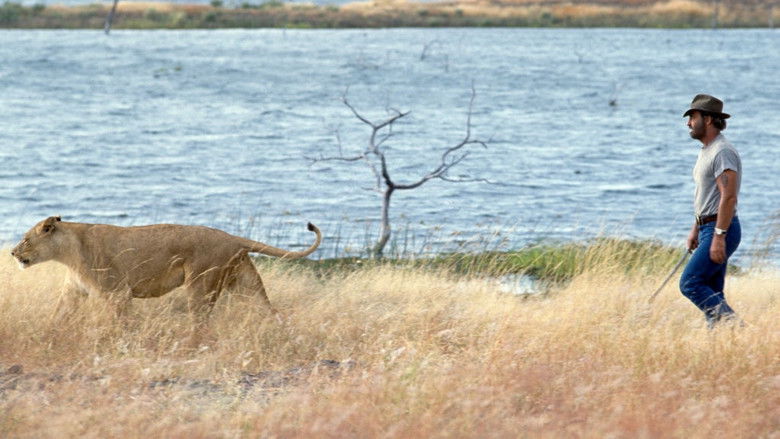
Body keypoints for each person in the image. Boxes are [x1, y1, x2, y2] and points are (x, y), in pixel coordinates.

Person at [678, 94, 742, 328]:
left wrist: (719, 236)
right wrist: (696, 229)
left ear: (707, 119)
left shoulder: (722, 151)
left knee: (690, 283)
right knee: (713, 293)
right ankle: (723, 342)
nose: (688, 123)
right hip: (708, 227)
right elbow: (708, 197)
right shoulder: (707, 150)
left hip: (720, 228)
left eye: (692, 117)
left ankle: (736, 328)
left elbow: (728, 197)